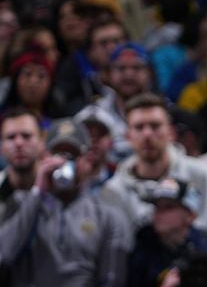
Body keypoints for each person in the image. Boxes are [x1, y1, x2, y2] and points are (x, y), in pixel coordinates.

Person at [101, 93, 207, 246]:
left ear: (171, 133)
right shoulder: (114, 192)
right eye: (139, 127)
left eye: (155, 126)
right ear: (128, 136)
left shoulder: (206, 175)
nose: (147, 134)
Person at [0, 118, 130, 286]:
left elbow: (113, 280)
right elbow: (4, 255)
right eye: (57, 155)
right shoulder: (20, 202)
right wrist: (38, 192)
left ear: (87, 160)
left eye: (73, 156)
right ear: (44, 157)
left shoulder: (108, 216)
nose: (64, 164)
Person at [128, 177, 207, 287]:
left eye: (168, 207)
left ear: (190, 215)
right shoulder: (144, 243)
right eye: (157, 206)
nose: (159, 213)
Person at [0, 108, 45, 220]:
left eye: (26, 136)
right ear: (2, 146)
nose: (18, 143)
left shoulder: (60, 187)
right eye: (10, 137)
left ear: (42, 141)